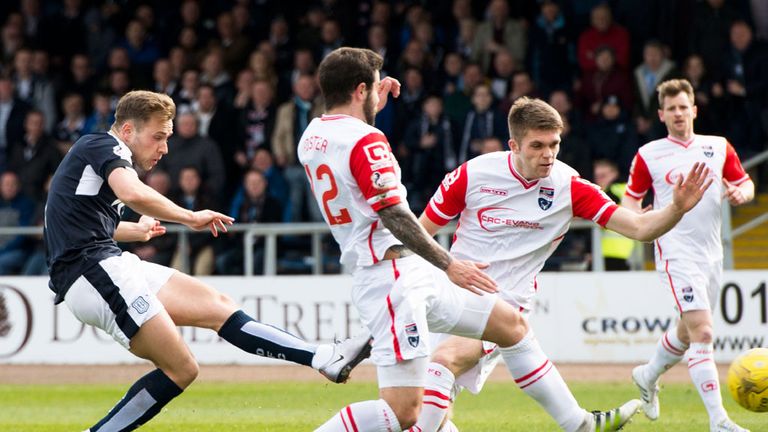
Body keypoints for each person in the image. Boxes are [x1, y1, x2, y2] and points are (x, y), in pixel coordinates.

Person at [301, 47, 600, 432]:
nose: (381, 92)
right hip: (392, 275)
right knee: (403, 413)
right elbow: (392, 212)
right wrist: (449, 263)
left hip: (400, 273)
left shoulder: (312, 136)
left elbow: (350, 149)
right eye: (375, 88)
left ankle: (580, 424)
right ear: (361, 90)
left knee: (510, 324)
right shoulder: (369, 142)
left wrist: (370, 99)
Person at [43, 90, 372, 432]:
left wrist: (134, 231)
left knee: (218, 306)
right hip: (93, 273)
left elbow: (80, 223)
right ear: (127, 131)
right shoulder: (103, 146)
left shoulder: (95, 160)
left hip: (106, 264)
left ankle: (323, 357)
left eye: (167, 138)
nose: (164, 148)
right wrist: (188, 217)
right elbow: (132, 193)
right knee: (182, 368)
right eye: (158, 137)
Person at [410, 96, 714, 432]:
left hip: (505, 304)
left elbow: (640, 228)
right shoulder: (472, 174)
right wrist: (446, 267)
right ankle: (582, 425)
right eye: (537, 146)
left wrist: (676, 209)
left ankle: (580, 424)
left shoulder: (570, 187)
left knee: (443, 363)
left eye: (554, 144)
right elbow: (419, 233)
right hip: (450, 298)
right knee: (423, 403)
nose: (548, 154)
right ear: (513, 145)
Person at [623, 79, 754, 432]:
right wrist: (638, 218)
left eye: (684, 107)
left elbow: (745, 182)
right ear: (661, 114)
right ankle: (719, 421)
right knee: (704, 332)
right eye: (672, 109)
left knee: (685, 332)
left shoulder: (718, 146)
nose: (679, 114)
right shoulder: (648, 154)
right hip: (675, 252)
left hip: (711, 253)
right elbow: (631, 200)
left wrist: (742, 192)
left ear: (694, 110)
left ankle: (647, 375)